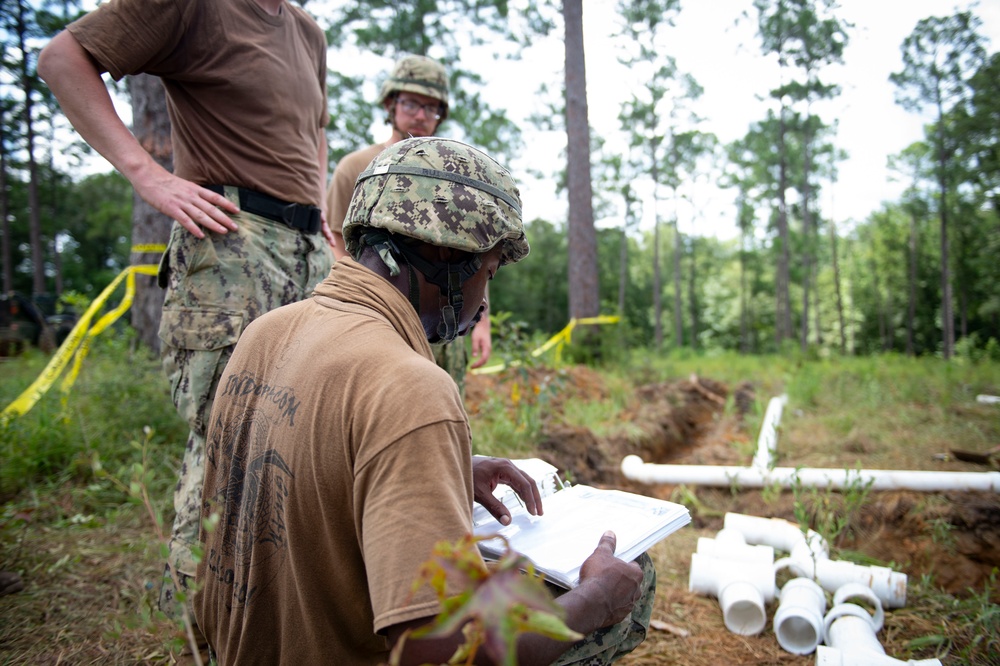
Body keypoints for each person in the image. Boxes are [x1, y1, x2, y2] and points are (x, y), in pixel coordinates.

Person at [195, 137, 655, 665]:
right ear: (445, 255)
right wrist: (593, 602)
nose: (485, 298)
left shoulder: (265, 333)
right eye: (490, 271)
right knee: (631, 576)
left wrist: (445, 469)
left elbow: (308, 479)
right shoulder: (409, 386)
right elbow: (437, 653)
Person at [37, 0, 334, 620]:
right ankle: (196, 617)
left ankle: (267, 600)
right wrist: (148, 174)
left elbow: (312, 131)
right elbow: (63, 59)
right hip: (231, 240)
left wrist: (322, 212)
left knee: (299, 429)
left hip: (307, 250)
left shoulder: (306, 31)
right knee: (230, 426)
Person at [326, 54, 492, 393]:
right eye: (412, 103)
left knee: (442, 407)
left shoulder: (454, 178)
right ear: (391, 104)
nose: (421, 115)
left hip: (446, 321)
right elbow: (337, 244)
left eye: (431, 108)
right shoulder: (358, 167)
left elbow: (474, 254)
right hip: (376, 320)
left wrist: (482, 321)